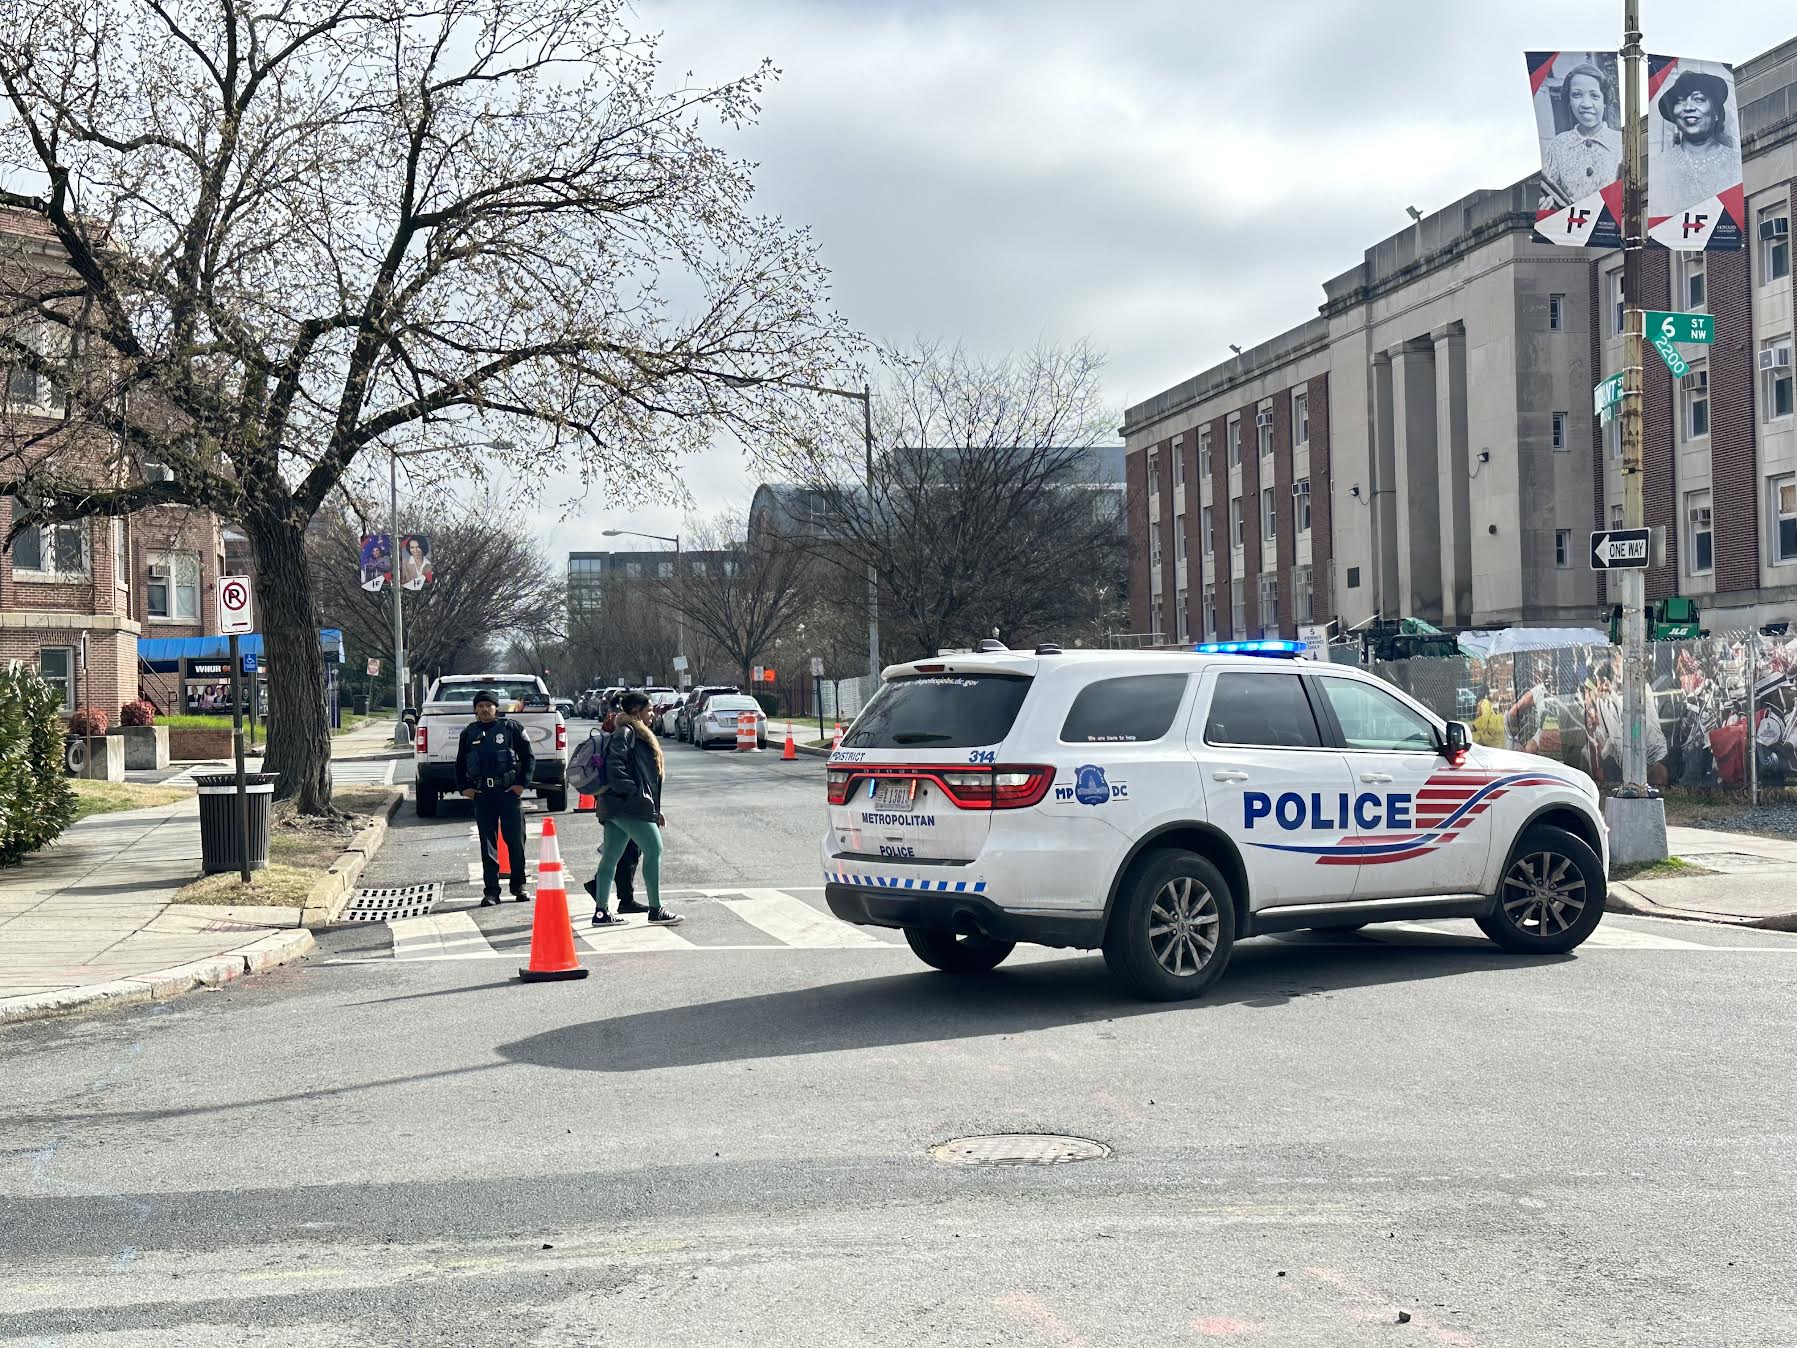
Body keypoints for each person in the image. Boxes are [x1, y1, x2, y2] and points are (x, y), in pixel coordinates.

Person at [587, 690, 682, 929]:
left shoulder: (633, 734)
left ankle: (601, 913)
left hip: (616, 806)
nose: (652, 714)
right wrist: (636, 797)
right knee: (654, 849)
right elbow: (615, 769)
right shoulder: (627, 733)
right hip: (627, 806)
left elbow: (644, 778)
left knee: (611, 857)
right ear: (635, 712)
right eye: (648, 710)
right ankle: (656, 908)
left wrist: (652, 808)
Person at [456, 688, 534, 906]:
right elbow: (460, 763)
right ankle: (491, 891)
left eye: (488, 705)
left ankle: (519, 886)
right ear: (475, 709)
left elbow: (528, 758)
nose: (484, 709)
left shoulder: (511, 728)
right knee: (487, 844)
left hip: (508, 793)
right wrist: (464, 788)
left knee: (515, 841)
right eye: (480, 706)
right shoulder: (469, 732)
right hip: (483, 794)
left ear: (496, 707)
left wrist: (521, 784)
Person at [1539, 62, 1621, 209]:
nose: (1586, 104)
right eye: (1577, 95)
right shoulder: (1558, 146)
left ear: (1604, 101)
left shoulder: (1622, 143)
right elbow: (1547, 193)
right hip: (1569, 228)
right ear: (1569, 101)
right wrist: (1544, 206)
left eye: (1594, 96)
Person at [1654, 67, 1737, 211]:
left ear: (1716, 112)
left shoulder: (1734, 164)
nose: (1688, 107)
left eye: (1698, 99)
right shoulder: (1659, 167)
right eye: (1680, 101)